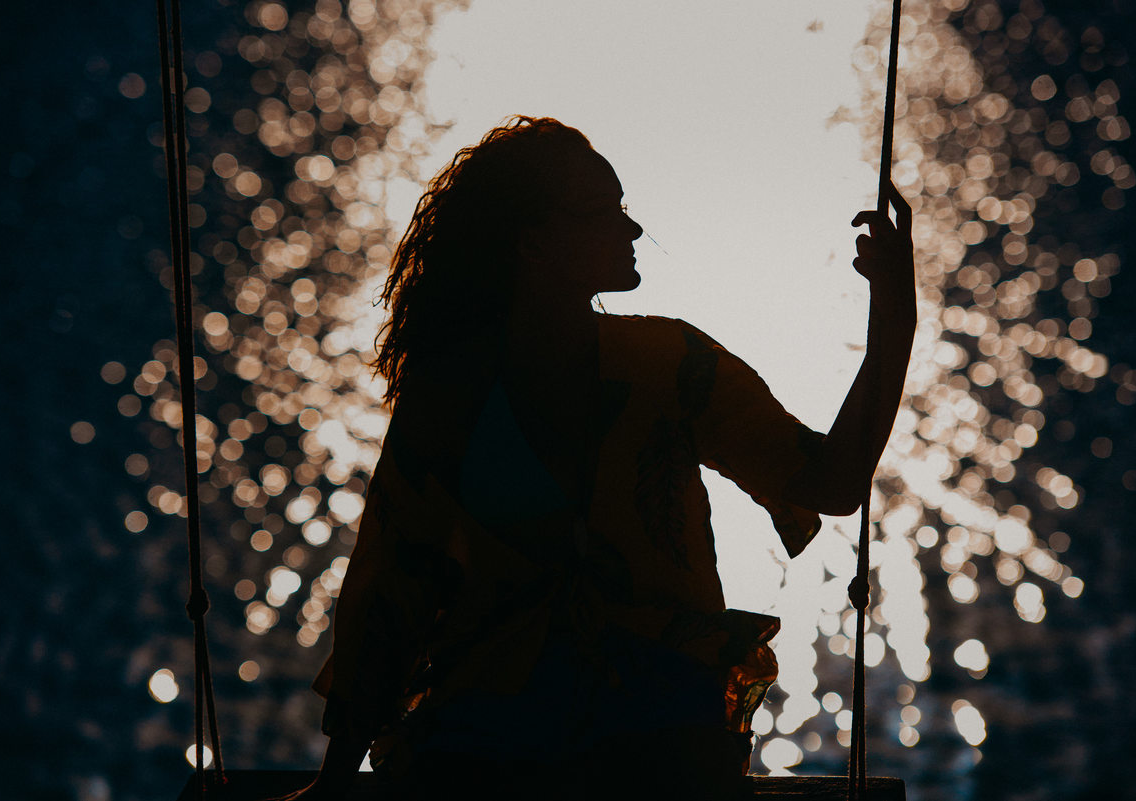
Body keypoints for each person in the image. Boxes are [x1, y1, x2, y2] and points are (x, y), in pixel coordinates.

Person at [288, 116, 914, 799]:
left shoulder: (666, 366)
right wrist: (332, 785)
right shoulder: (469, 395)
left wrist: (895, 310)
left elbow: (834, 482)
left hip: (559, 745)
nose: (633, 228)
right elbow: (391, 592)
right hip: (602, 747)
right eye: (604, 212)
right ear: (532, 242)